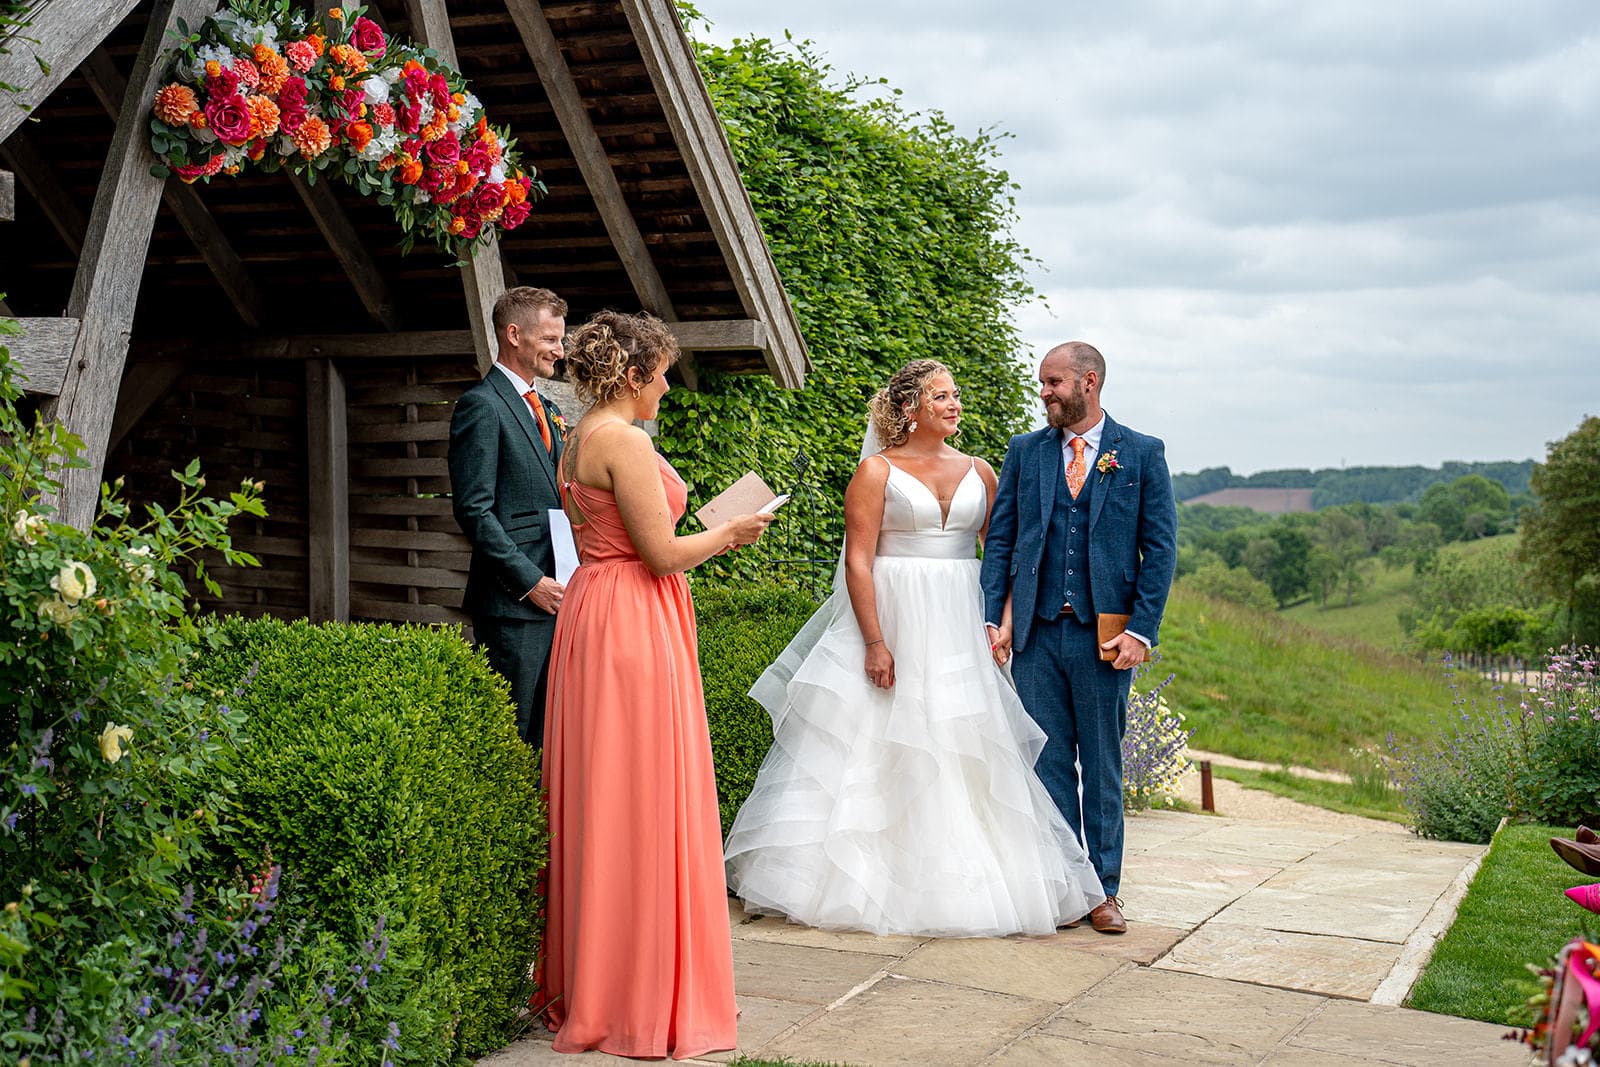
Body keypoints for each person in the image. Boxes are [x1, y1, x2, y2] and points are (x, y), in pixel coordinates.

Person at [724, 360, 1106, 938]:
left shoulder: (980, 470)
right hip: (896, 615)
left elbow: (1003, 555)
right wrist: (875, 642)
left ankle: (970, 880)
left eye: (955, 394)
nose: (955, 404)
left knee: (961, 738)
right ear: (909, 409)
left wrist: (1001, 622)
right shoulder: (875, 471)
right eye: (940, 396)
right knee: (879, 738)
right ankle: (865, 881)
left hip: (960, 620)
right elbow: (858, 561)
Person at [538, 311, 773, 1059]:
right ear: (634, 375)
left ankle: (601, 981)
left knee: (604, 792)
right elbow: (663, 555)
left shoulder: (577, 435)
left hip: (594, 610)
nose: (668, 388)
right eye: (663, 375)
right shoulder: (625, 440)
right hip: (633, 618)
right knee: (643, 795)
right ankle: (643, 997)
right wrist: (732, 531)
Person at [979, 341, 1178, 935]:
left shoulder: (1140, 453)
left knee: (1102, 766)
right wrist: (993, 617)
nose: (1044, 393)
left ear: (1089, 382)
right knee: (1049, 766)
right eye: (1043, 383)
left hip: (1106, 640)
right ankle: (1069, 890)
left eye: (1054, 383)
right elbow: (1003, 540)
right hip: (1037, 635)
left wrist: (1141, 630)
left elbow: (1160, 549)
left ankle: (1106, 891)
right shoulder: (1026, 451)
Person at [448, 286, 570, 748]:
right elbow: (474, 511)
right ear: (514, 335)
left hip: (559, 596)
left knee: (548, 735)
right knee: (509, 737)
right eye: (550, 339)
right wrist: (530, 581)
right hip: (512, 605)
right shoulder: (482, 405)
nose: (560, 351)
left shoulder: (548, 409)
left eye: (560, 340)